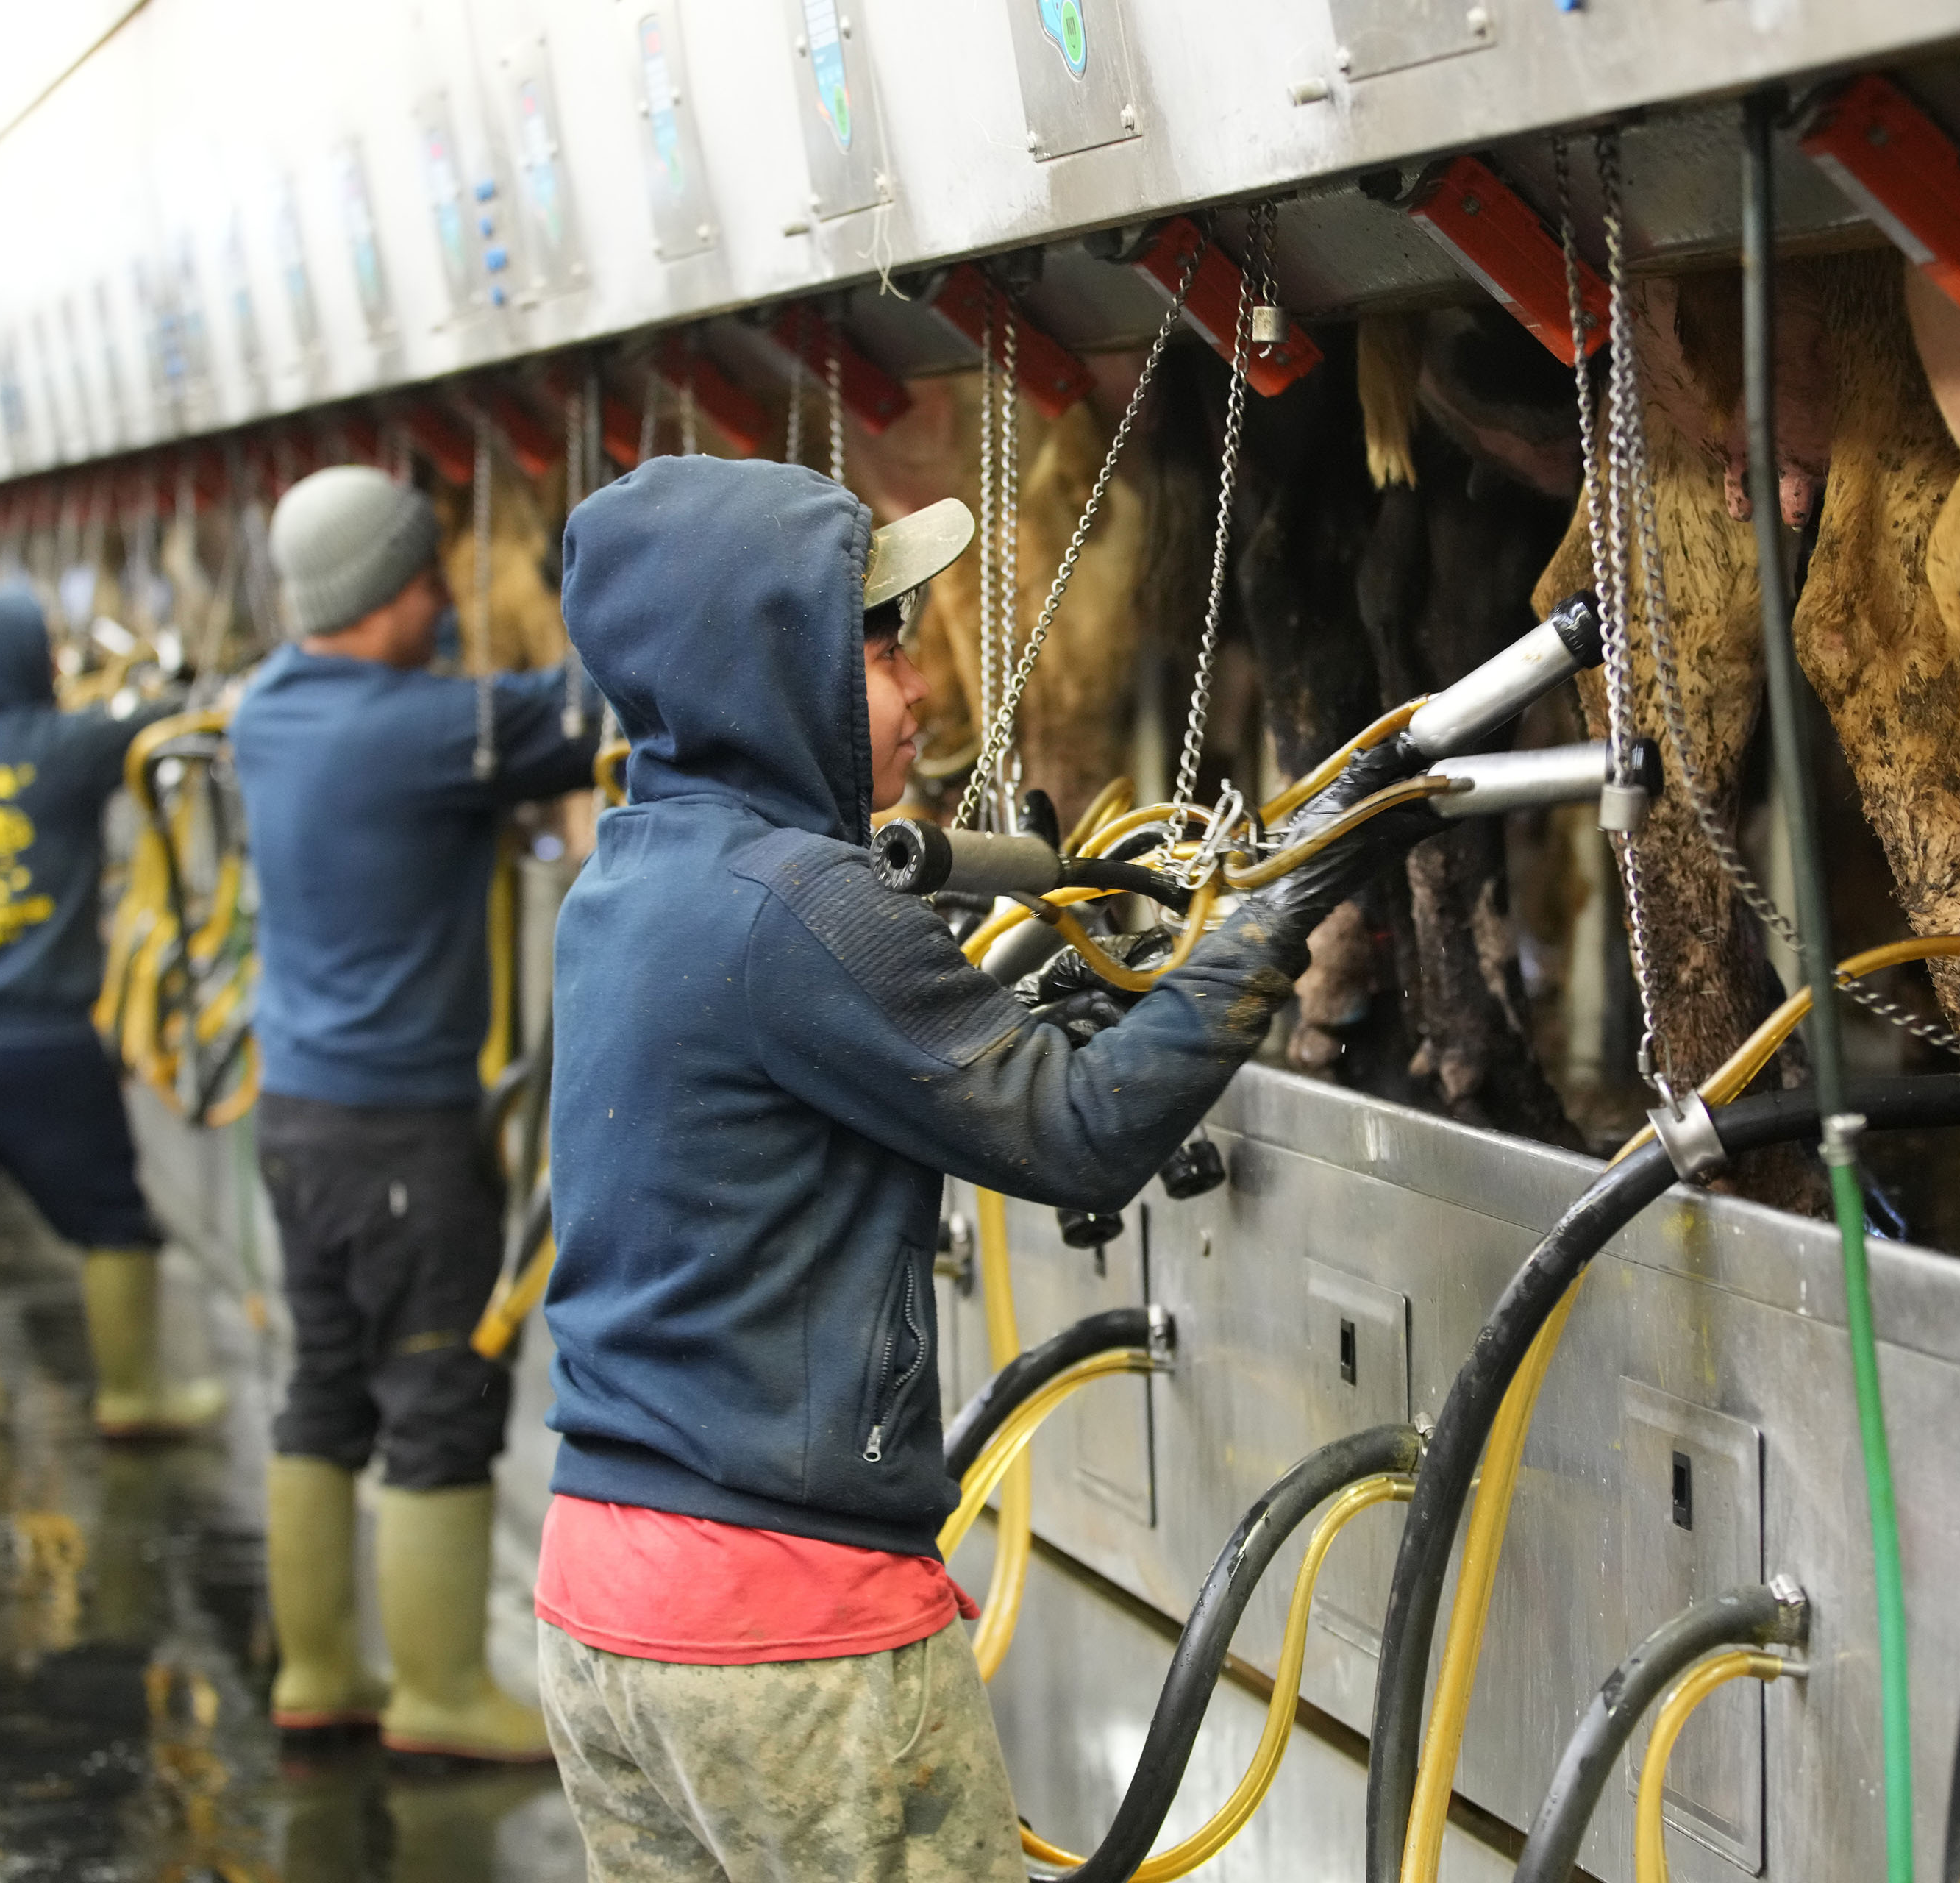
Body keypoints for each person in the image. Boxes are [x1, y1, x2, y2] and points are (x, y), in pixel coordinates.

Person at [530, 456, 1443, 1879]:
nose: (920, 688)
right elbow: (1079, 1130)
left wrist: (1059, 1017)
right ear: (774, 667)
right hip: (787, 1636)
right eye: (880, 647)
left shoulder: (630, 877)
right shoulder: (804, 902)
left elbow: (842, 1076)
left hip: (601, 1611)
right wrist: (1286, 912)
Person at [232, 463, 598, 1760]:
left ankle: (318, 1675)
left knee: (325, 1387)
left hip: (298, 1118)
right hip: (402, 1132)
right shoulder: (423, 730)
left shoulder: (262, 710)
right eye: (432, 574)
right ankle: (441, 1694)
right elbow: (593, 708)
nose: (449, 596)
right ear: (382, 591)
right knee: (440, 1389)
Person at [0, 584, 217, 1434]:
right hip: (49, 1045)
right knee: (114, 1222)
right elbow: (168, 725)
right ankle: (134, 1394)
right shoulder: (62, 749)